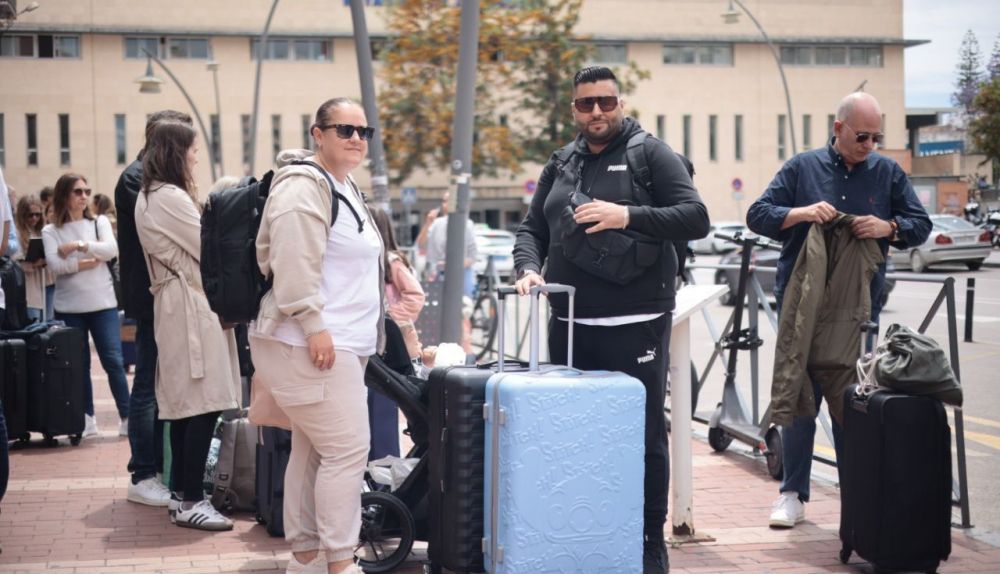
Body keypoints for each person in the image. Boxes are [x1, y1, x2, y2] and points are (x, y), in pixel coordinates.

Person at [512, 66, 710, 574]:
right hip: (571, 325)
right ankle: (586, 530)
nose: (596, 111)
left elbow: (696, 217)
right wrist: (528, 268)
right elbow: (532, 228)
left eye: (605, 101)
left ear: (620, 103)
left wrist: (627, 215)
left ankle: (648, 539)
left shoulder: (651, 154)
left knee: (643, 436)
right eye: (586, 103)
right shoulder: (563, 161)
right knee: (575, 436)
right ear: (574, 109)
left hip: (637, 322)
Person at [746, 91, 931, 529]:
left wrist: (889, 227)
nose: (869, 145)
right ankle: (792, 494)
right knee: (800, 397)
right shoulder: (801, 167)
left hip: (859, 312)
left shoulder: (887, 172)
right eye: (862, 136)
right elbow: (758, 215)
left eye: (876, 137)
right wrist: (801, 213)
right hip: (801, 306)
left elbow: (921, 225)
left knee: (854, 406)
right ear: (838, 128)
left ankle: (859, 499)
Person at [249, 97, 381, 574]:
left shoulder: (343, 186)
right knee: (347, 450)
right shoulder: (303, 186)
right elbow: (292, 260)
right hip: (311, 343)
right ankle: (340, 563)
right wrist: (313, 324)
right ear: (318, 134)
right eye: (345, 129)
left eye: (364, 132)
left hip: (337, 343)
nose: (356, 139)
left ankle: (305, 557)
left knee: (311, 450)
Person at [135, 119, 241, 530]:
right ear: (177, 152)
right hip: (189, 304)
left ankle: (182, 494)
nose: (197, 157)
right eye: (194, 149)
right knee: (202, 402)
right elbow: (206, 247)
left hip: (178, 302)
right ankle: (193, 497)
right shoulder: (169, 197)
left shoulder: (152, 195)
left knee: (186, 405)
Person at [115, 110, 192, 508]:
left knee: (160, 385)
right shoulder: (138, 179)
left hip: (158, 294)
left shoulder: (146, 177)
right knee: (147, 384)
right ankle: (142, 473)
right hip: (150, 296)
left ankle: (157, 469)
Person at [42, 173, 131, 438]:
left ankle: (127, 416)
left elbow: (111, 250)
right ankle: (86, 417)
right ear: (64, 195)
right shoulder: (50, 231)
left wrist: (77, 246)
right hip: (69, 308)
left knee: (113, 361)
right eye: (78, 191)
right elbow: (55, 265)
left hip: (103, 305)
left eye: (86, 191)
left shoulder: (99, 222)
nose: (84, 196)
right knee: (78, 366)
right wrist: (87, 262)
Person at [13, 194, 48, 321]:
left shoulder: (39, 231)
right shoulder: (16, 233)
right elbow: (14, 264)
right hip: (27, 288)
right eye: (30, 215)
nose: (34, 218)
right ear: (22, 215)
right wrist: (33, 264)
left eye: (37, 215)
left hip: (42, 284)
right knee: (34, 323)